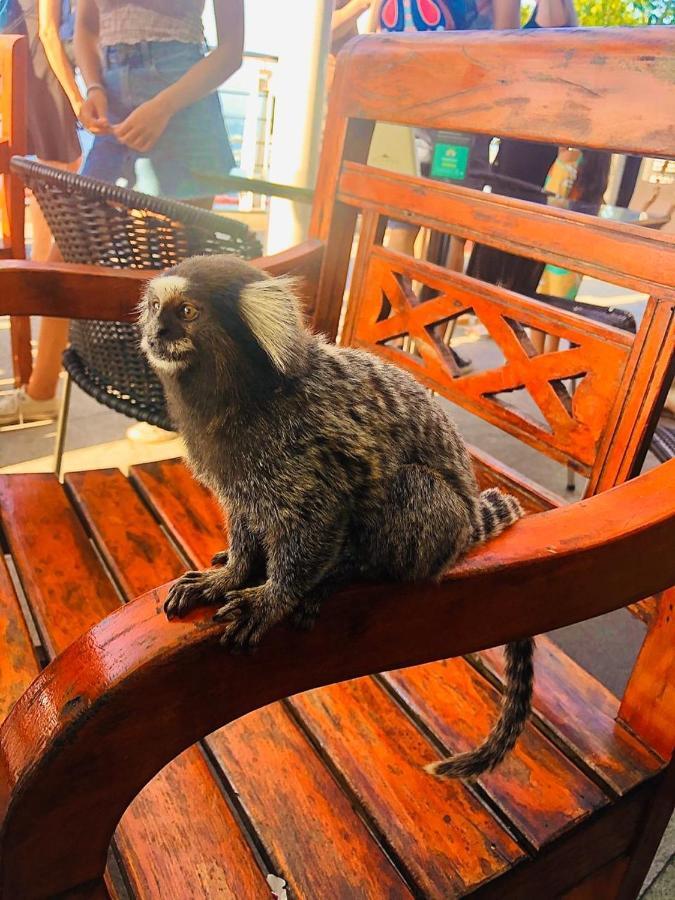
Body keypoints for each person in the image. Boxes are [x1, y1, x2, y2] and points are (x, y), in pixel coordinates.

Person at [0, 0, 83, 425]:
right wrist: (79, 100)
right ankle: (41, 380)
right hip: (46, 84)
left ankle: (40, 377)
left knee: (50, 238)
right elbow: (51, 32)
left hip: (24, 80)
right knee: (61, 237)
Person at [76, 0, 243, 204]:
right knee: (86, 222)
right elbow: (86, 27)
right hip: (114, 110)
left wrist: (164, 107)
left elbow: (232, 50)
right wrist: (94, 87)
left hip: (183, 107)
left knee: (182, 233)